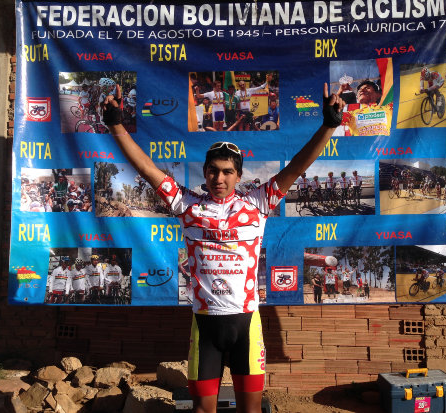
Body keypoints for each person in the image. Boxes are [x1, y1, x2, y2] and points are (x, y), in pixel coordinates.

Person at [102, 82, 344, 413]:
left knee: (251, 411)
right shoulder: (186, 204)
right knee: (203, 410)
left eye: (228, 172)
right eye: (213, 171)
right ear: (204, 172)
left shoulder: (258, 202)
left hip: (247, 324)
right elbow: (146, 169)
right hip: (206, 326)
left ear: (238, 175)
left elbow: (298, 167)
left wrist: (328, 126)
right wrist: (116, 125)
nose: (220, 178)